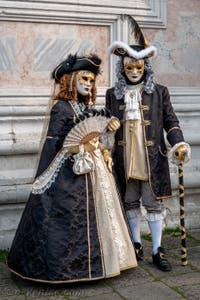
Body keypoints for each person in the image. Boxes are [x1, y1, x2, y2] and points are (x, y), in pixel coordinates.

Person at [7, 53, 137, 283]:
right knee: (67, 217)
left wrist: (104, 143)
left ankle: (104, 262)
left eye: (92, 80)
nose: (89, 84)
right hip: (70, 173)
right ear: (71, 79)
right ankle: (68, 268)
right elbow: (57, 143)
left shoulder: (85, 106)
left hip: (94, 167)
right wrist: (79, 146)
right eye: (84, 79)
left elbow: (92, 136)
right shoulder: (62, 108)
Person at [106, 16, 191, 272]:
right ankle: (135, 244)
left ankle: (157, 248)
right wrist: (107, 125)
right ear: (123, 68)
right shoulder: (113, 94)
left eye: (138, 68)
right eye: (129, 68)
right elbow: (105, 123)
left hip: (151, 157)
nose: (133, 72)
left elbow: (170, 121)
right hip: (124, 156)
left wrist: (178, 144)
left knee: (153, 203)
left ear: (146, 68)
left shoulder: (160, 92)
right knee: (130, 200)